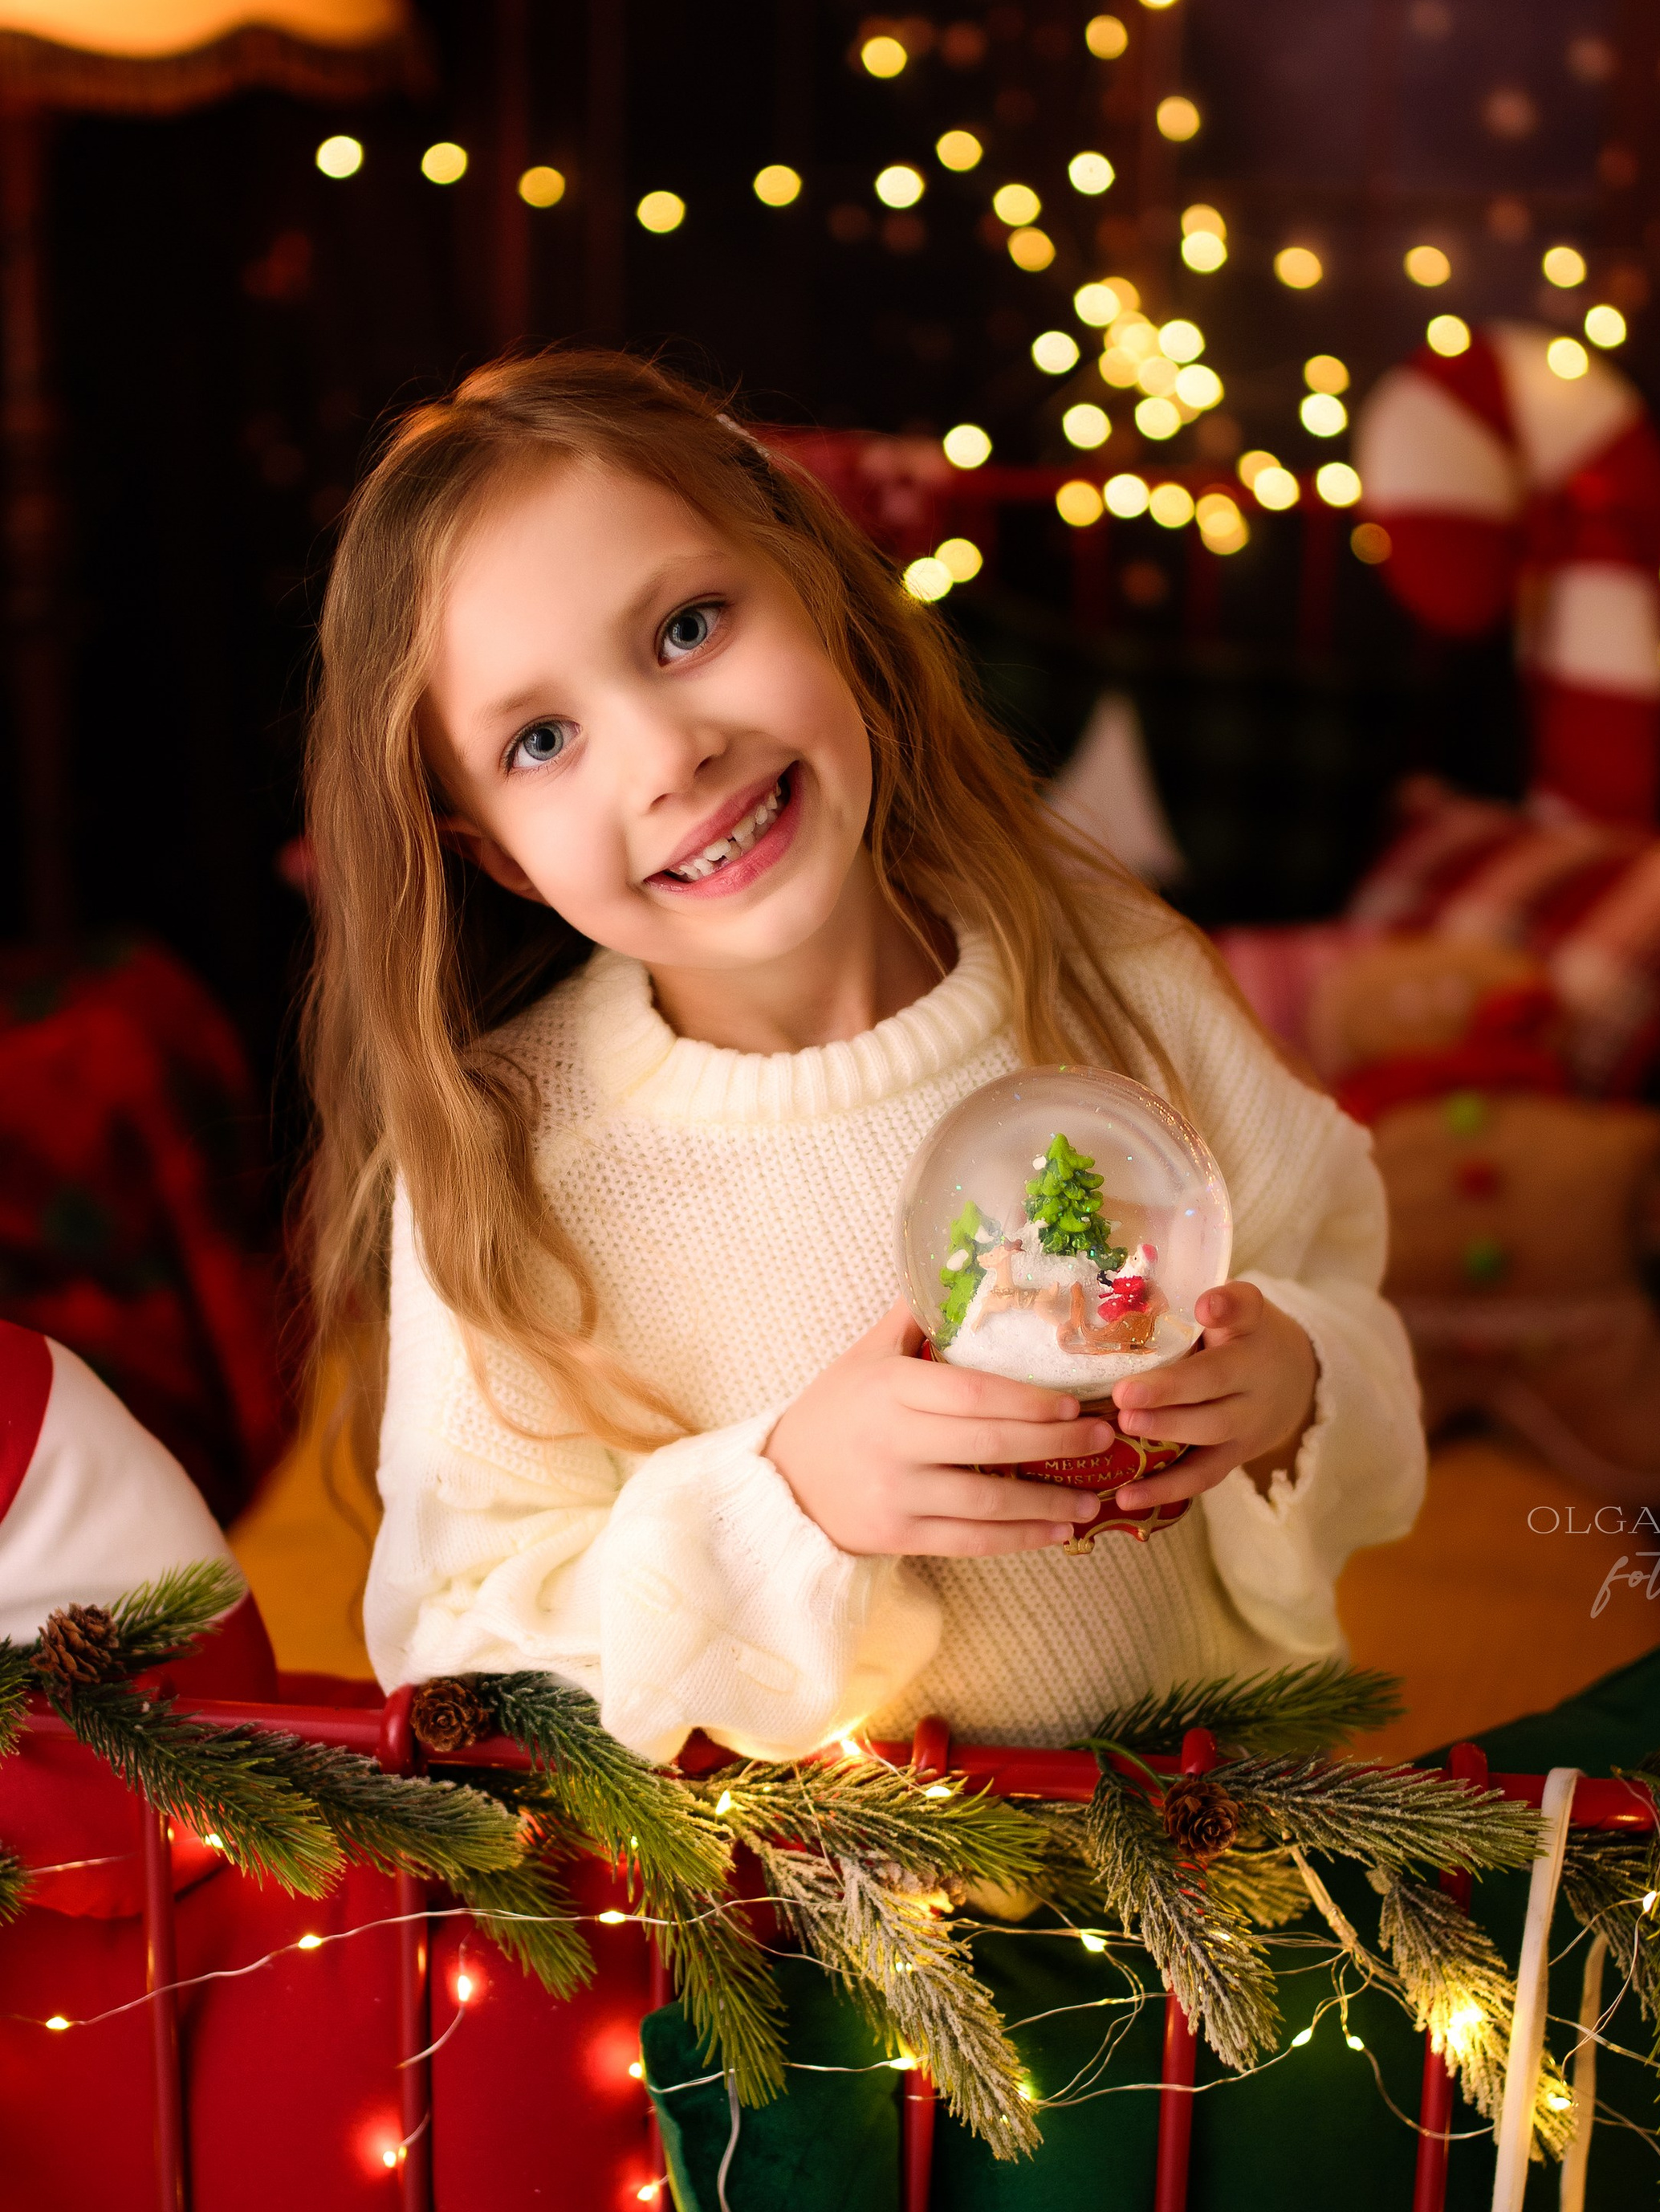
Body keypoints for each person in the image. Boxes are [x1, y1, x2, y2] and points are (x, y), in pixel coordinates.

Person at [301, 352, 1425, 1762]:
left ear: (820, 590)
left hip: (1229, 1861)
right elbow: (461, 1650)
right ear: (493, 859)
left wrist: (1294, 1388)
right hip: (824, 1934)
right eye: (540, 739)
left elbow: (1344, 1296)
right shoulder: (512, 1162)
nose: (667, 753)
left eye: (688, 627)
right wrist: (784, 1505)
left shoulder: (1116, 973)